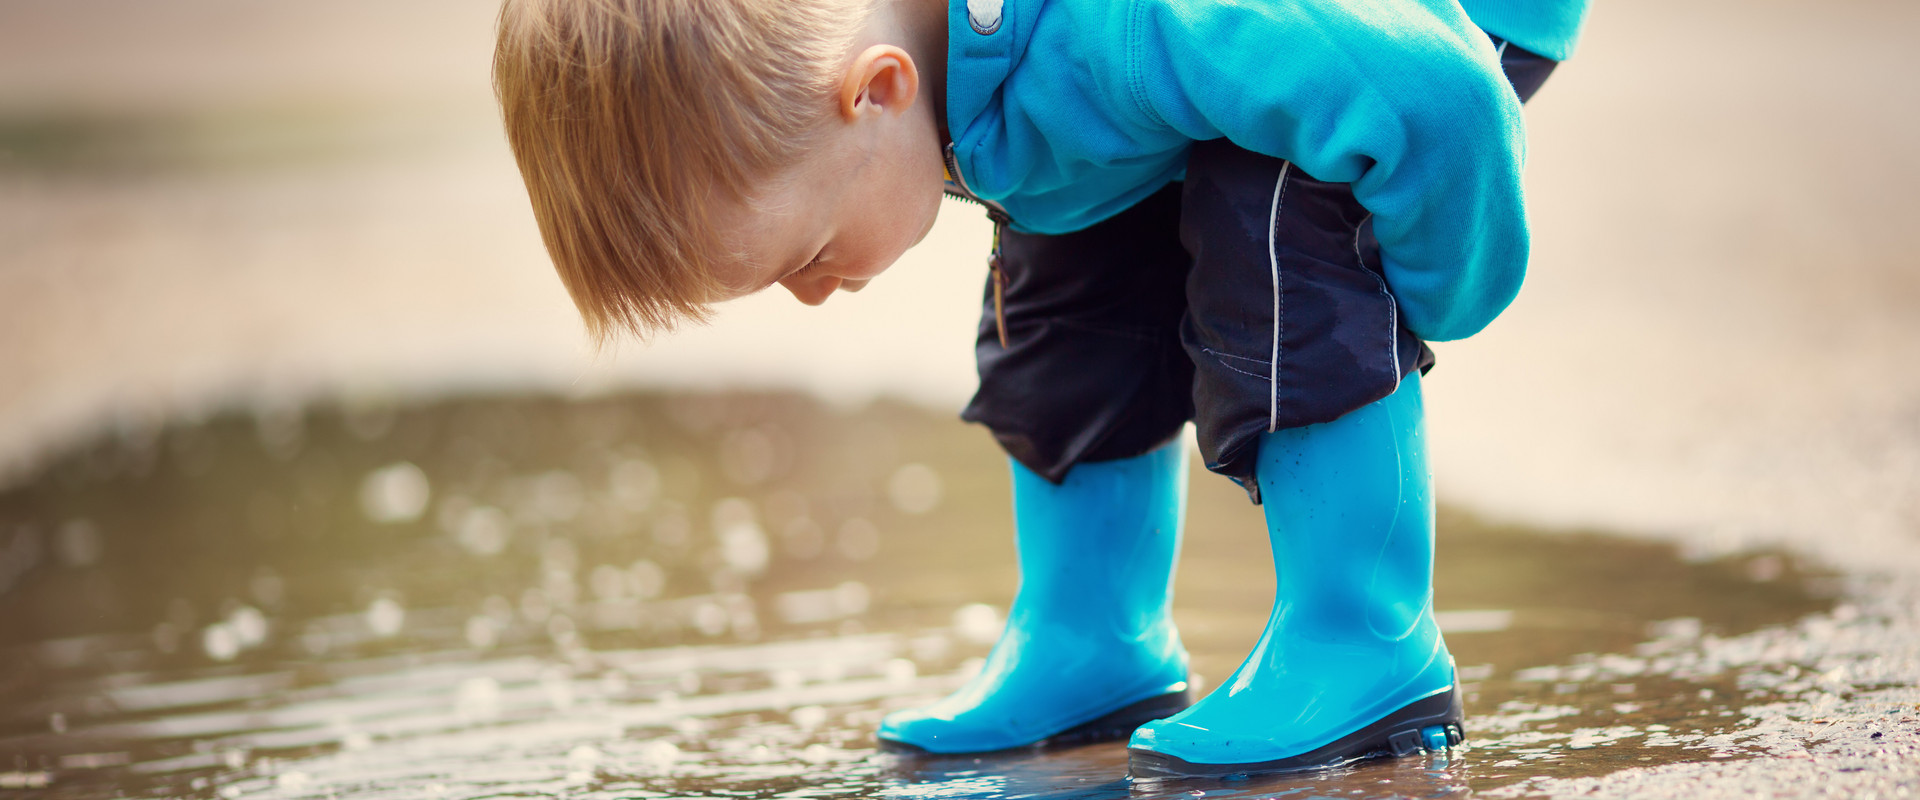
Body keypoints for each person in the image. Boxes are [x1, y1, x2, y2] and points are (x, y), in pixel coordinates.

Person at [493, 0, 1588, 777]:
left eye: (806, 255)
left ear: (878, 91)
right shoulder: (964, 70)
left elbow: (1431, 92)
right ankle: (1090, 633)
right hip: (1213, 69)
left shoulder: (1140, 24)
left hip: (1400, 31)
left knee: (1282, 228)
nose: (816, 298)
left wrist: (1440, 288)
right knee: (1065, 259)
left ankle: (1366, 637)